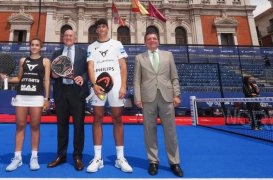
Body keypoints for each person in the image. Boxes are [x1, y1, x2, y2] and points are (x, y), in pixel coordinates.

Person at [133, 30, 183, 177]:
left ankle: (174, 162)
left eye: (154, 38)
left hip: (167, 97)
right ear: (145, 42)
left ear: (158, 41)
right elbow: (136, 80)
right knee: (149, 131)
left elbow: (174, 77)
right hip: (147, 98)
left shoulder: (168, 55)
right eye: (149, 39)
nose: (152, 40)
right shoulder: (139, 58)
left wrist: (177, 94)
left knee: (171, 131)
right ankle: (153, 161)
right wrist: (138, 97)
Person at [86, 18, 133, 173]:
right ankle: (97, 158)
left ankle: (120, 158)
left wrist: (124, 86)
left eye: (103, 26)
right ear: (96, 30)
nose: (101, 29)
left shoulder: (117, 44)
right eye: (98, 27)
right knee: (97, 118)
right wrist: (94, 84)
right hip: (98, 87)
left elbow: (123, 66)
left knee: (117, 119)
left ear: (107, 28)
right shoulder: (91, 47)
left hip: (116, 86)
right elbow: (90, 67)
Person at [0, 38, 51, 171]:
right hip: (21, 96)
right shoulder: (23, 60)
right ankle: (17, 158)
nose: (34, 47)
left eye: (37, 45)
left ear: (41, 47)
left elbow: (46, 81)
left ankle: (34, 157)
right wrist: (7, 79)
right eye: (32, 45)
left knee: (35, 126)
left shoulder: (45, 61)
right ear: (30, 46)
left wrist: (47, 98)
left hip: (37, 97)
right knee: (20, 126)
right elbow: (19, 78)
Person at [47, 29, 89, 171]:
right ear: (63, 38)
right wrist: (54, 75)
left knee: (79, 126)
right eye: (66, 36)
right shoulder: (56, 54)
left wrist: (82, 78)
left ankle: (77, 156)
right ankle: (61, 155)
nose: (68, 38)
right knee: (61, 126)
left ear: (75, 37)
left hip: (77, 93)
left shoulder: (83, 52)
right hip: (61, 92)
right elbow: (52, 74)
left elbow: (88, 72)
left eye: (71, 36)